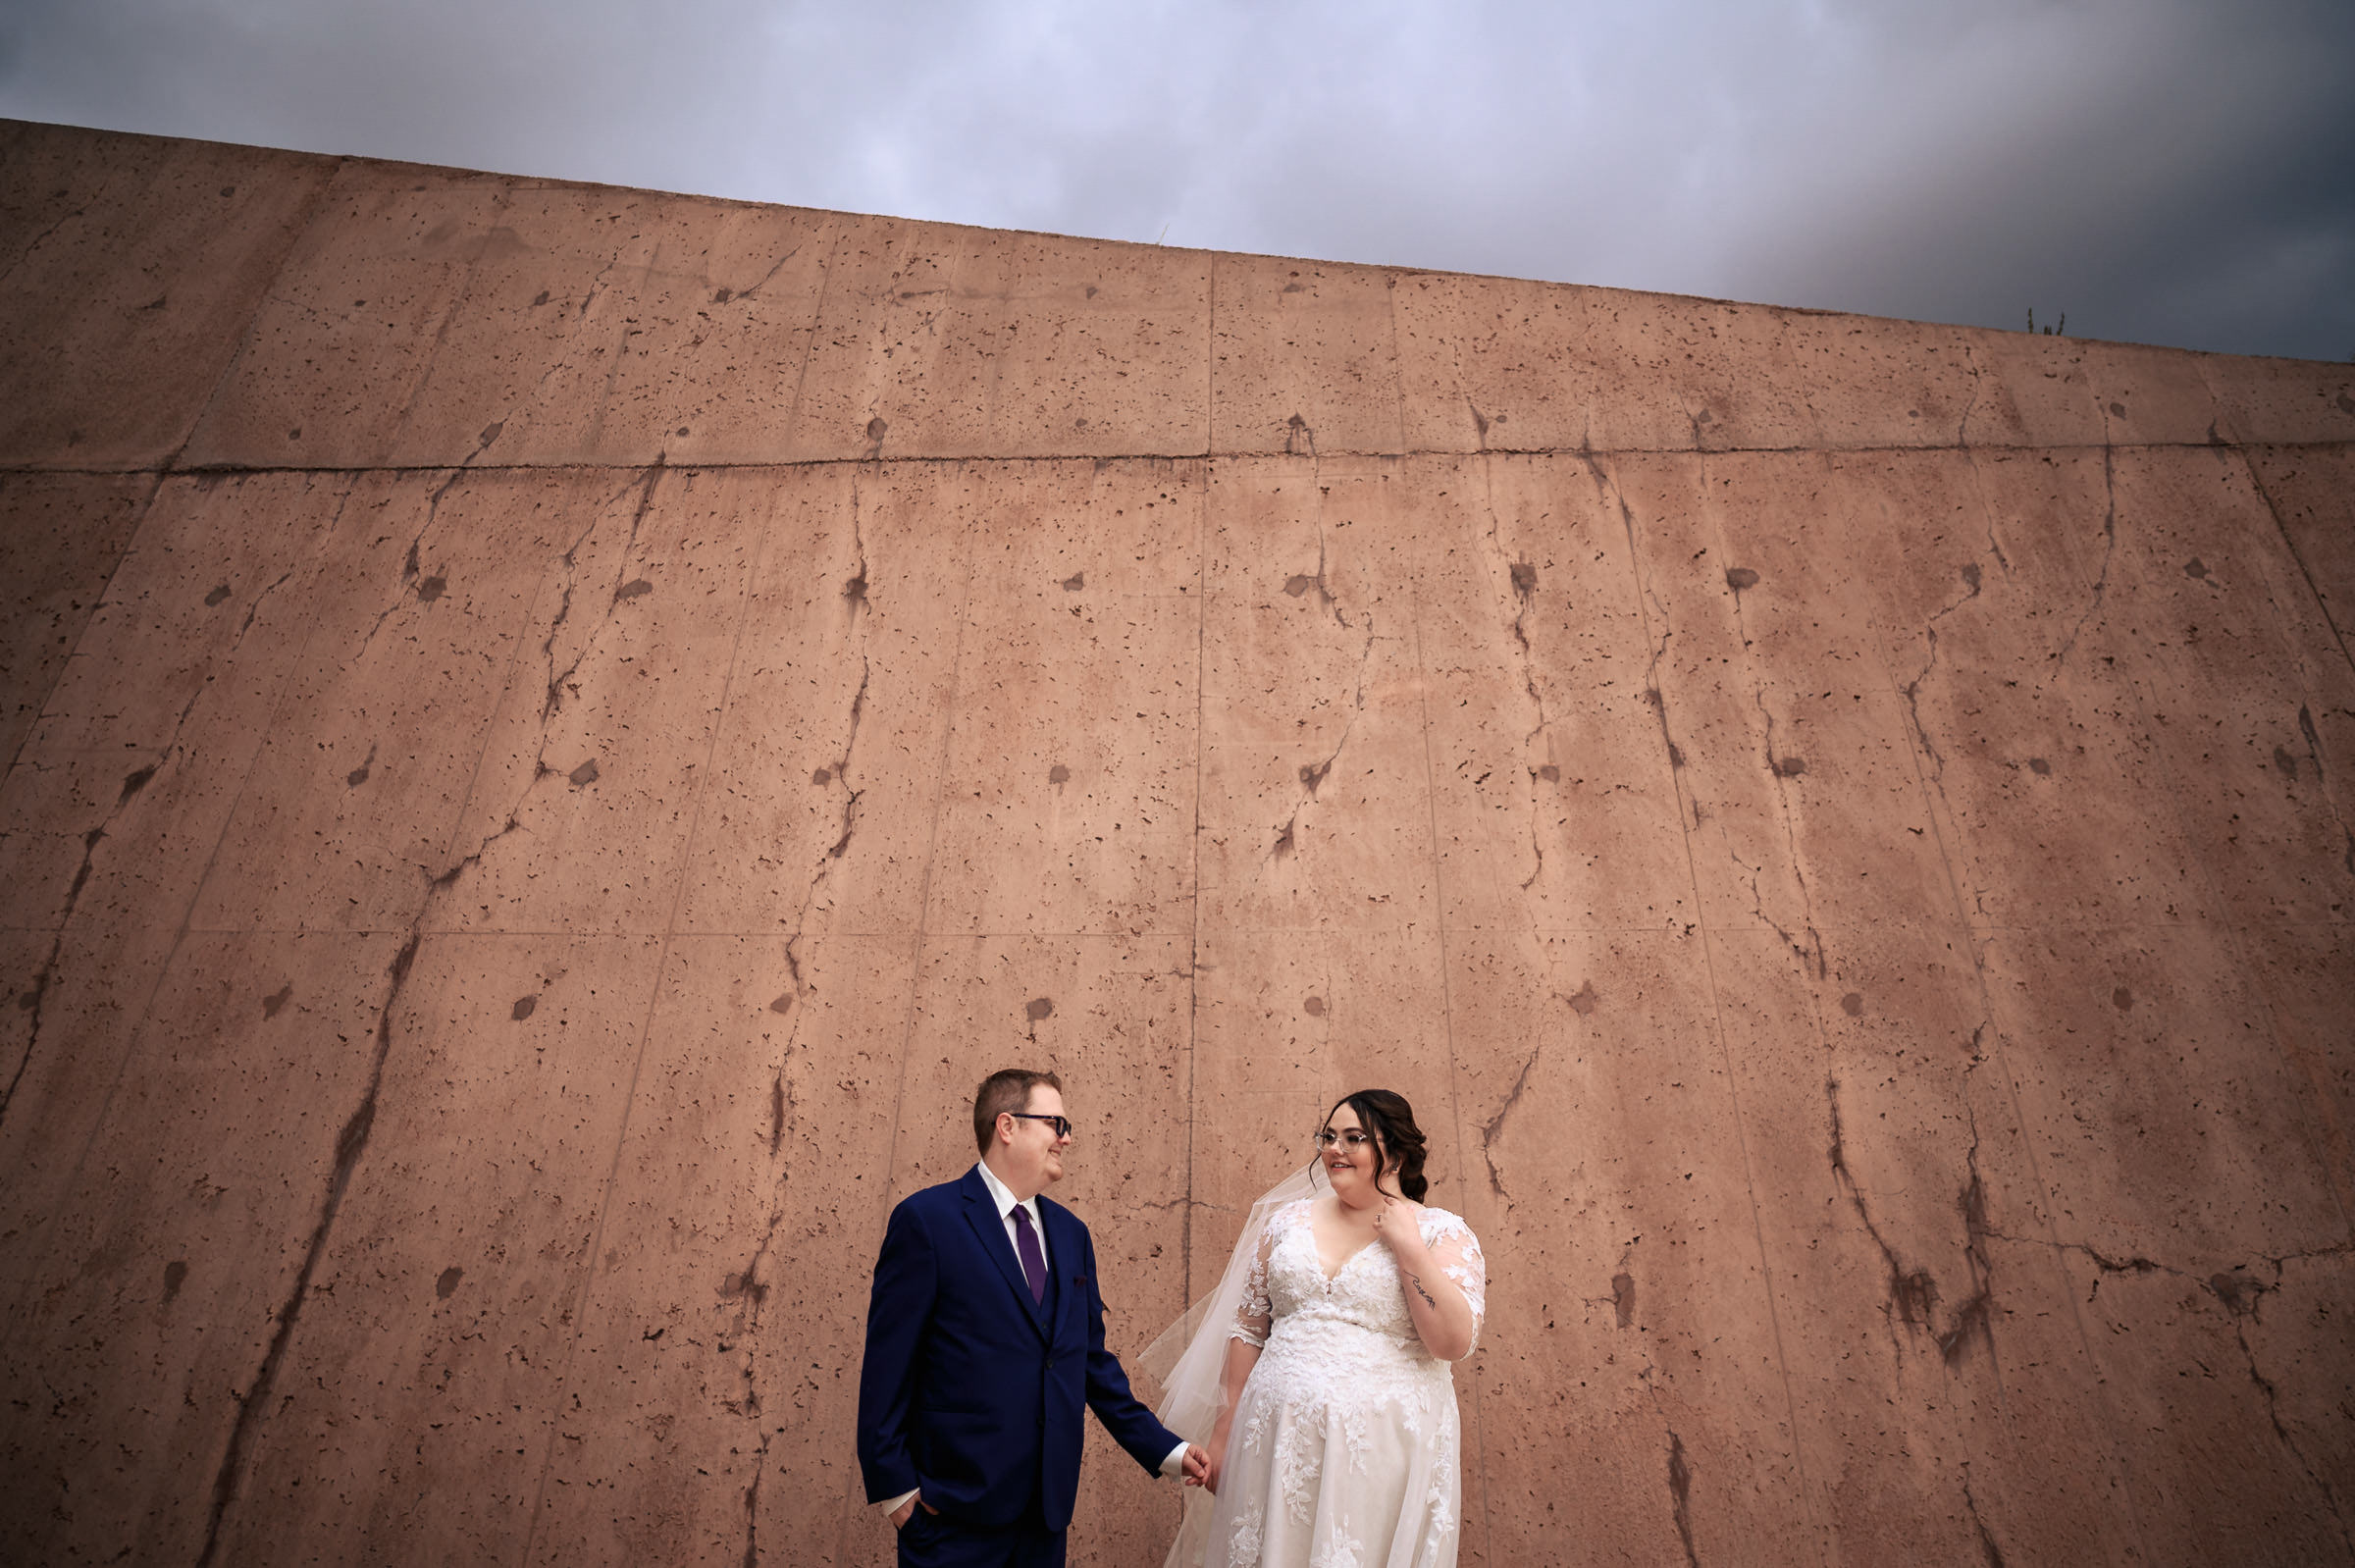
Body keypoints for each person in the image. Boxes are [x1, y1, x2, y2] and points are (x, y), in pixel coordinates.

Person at [858, 1068, 1210, 1567]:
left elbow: (1090, 1362)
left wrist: (1167, 1451)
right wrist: (898, 1497)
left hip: (1044, 1519)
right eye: (1056, 1124)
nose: (1068, 1138)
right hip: (949, 1517)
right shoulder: (927, 1221)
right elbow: (887, 1369)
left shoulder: (1072, 1235)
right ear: (1007, 1126)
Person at [1141, 1089, 1487, 1568]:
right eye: (1328, 1136)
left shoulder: (1440, 1233)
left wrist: (1409, 1247)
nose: (1334, 1149)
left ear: (1398, 1152)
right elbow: (1247, 1332)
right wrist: (1224, 1433)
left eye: (1354, 1138)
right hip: (1274, 1440)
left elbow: (1451, 1342)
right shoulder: (1287, 1223)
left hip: (1379, 1452)